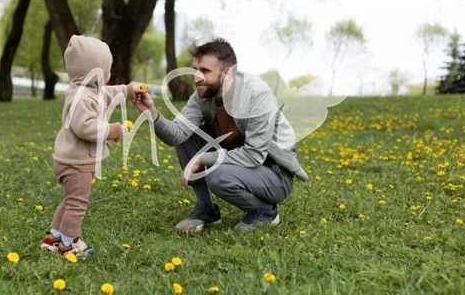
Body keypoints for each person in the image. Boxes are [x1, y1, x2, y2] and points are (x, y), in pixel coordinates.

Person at [133, 39, 308, 232]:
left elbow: (254, 155)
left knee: (218, 175)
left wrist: (203, 158)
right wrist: (151, 112)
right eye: (195, 69)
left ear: (228, 72)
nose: (197, 77)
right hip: (238, 163)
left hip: (274, 175)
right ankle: (206, 209)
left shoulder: (257, 94)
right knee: (187, 136)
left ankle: (265, 212)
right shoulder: (202, 95)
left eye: (205, 71)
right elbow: (177, 135)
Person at [41, 35, 138, 256]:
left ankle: (53, 239)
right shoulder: (82, 97)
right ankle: (69, 244)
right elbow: (85, 126)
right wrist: (112, 130)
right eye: (107, 69)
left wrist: (128, 91)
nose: (108, 73)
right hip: (76, 164)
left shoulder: (87, 89)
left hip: (73, 160)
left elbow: (108, 93)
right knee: (77, 204)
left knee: (70, 200)